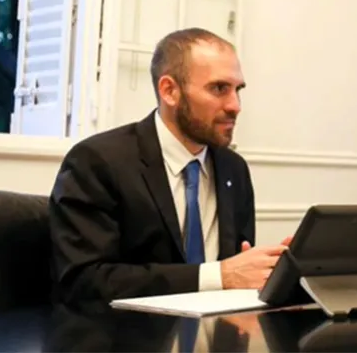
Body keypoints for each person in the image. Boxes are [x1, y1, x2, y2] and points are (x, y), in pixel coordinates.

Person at [49, 28, 287, 303]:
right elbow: (84, 280)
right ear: (169, 91)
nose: (235, 105)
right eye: (219, 89)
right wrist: (217, 276)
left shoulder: (234, 169)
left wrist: (276, 268)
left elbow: (236, 272)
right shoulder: (97, 162)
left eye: (238, 90)